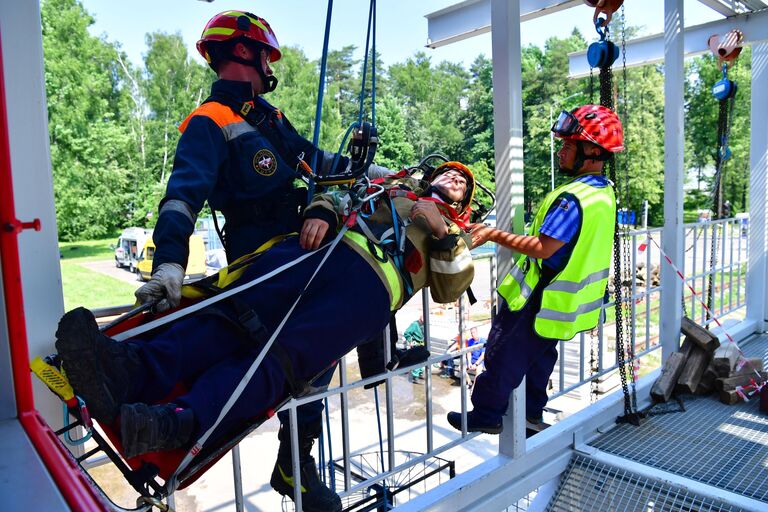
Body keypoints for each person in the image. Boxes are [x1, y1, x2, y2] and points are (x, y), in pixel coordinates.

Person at [56, 162, 476, 496]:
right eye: (450, 172)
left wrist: (440, 232)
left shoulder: (454, 235)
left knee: (279, 361)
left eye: (462, 181)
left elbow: (450, 286)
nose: (455, 178)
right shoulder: (392, 186)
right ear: (433, 175)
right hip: (322, 248)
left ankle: (168, 425)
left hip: (369, 289)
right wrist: (320, 213)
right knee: (233, 312)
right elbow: (339, 194)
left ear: (464, 202)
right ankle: (130, 368)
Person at [130, 11, 394, 510]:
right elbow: (181, 199)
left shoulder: (266, 117)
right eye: (265, 54)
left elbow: (312, 161)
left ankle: (296, 462)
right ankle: (173, 406)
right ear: (247, 52)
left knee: (319, 353)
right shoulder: (210, 121)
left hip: (300, 250)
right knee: (272, 354)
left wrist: (376, 171)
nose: (270, 63)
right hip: (258, 258)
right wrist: (168, 263)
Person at [447, 105, 623, 436]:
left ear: (591, 151)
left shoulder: (573, 199)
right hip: (564, 302)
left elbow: (544, 248)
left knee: (503, 351)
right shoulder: (604, 192)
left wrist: (491, 233)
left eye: (569, 145)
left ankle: (486, 413)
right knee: (541, 357)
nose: (561, 151)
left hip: (540, 294)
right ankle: (530, 415)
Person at [403, 316, 425, 383]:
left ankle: (420, 373)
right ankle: (415, 377)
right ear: (420, 319)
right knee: (417, 361)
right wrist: (410, 341)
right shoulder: (414, 324)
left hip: (422, 344)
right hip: (416, 345)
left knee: (423, 360)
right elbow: (406, 333)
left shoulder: (424, 325)